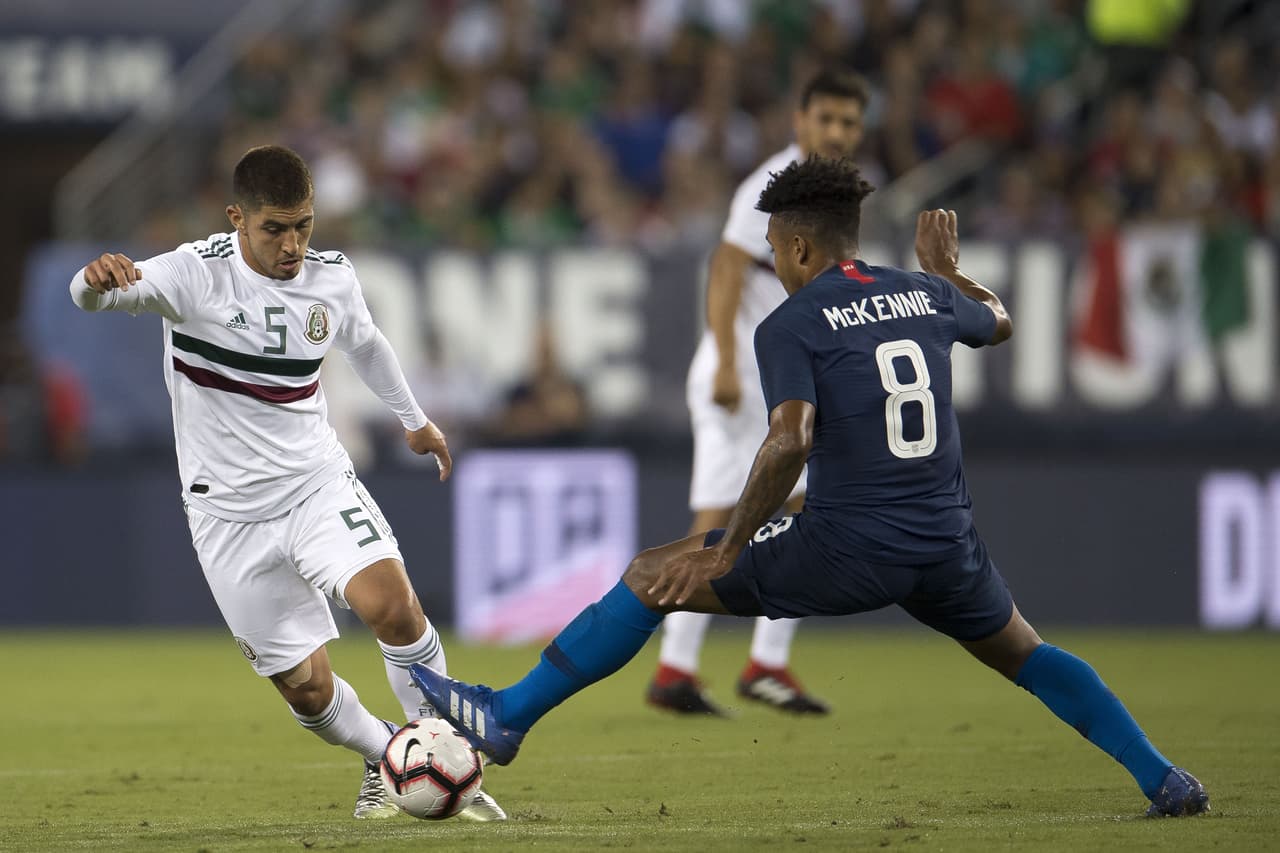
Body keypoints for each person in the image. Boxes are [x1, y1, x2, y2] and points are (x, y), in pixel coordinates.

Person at [409, 157, 1210, 818]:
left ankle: (506, 717)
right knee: (1026, 654)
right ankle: (1165, 778)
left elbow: (789, 436)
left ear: (795, 250)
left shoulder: (791, 324)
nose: (771, 260)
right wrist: (951, 271)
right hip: (946, 543)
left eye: (770, 247)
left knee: (656, 573)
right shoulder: (926, 294)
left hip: (849, 546)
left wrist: (730, 542)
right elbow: (998, 320)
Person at [68, 144, 506, 823]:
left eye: (303, 224)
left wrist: (414, 420)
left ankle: (444, 756)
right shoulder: (192, 274)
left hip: (314, 484)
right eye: (275, 227)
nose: (292, 243)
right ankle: (386, 752)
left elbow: (365, 342)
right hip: (227, 515)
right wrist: (95, 280)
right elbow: (90, 296)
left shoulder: (331, 278)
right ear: (237, 218)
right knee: (305, 688)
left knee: (393, 605)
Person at [648, 68, 869, 718]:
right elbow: (724, 265)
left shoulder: (828, 193)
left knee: (801, 510)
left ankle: (744, 662)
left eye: (848, 122)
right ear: (799, 121)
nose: (836, 131)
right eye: (825, 118)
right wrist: (722, 358)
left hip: (775, 378)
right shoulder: (772, 186)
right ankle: (681, 666)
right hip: (740, 378)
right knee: (721, 522)